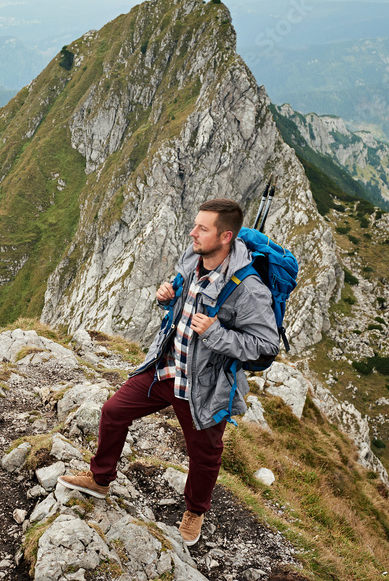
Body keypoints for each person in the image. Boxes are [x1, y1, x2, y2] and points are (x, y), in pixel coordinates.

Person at [58, 198, 280, 546]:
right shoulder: (194, 259)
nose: (192, 232)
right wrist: (166, 298)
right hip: (165, 369)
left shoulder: (249, 289)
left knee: (205, 454)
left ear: (225, 237)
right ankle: (100, 479)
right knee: (113, 411)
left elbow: (267, 346)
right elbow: (180, 305)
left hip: (203, 386)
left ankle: (195, 511)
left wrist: (216, 334)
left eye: (201, 228)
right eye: (194, 225)